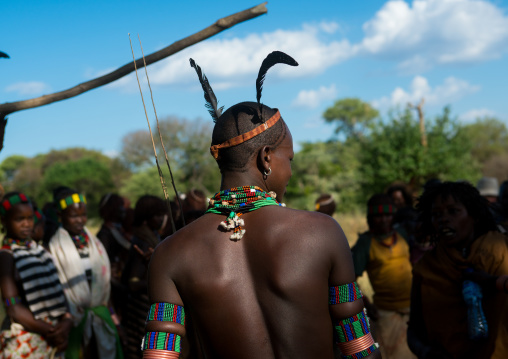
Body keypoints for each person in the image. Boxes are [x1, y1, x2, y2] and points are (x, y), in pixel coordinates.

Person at [141, 52, 381, 359]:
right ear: (266, 157)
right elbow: (359, 348)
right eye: (289, 159)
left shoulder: (169, 254)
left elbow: (160, 356)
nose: (290, 172)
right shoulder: (323, 234)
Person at [408, 181, 508, 358]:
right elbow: (414, 330)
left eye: (453, 211)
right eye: (436, 214)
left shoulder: (501, 251)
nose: (443, 219)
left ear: (474, 215)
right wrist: (426, 352)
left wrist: (493, 282)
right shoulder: (426, 268)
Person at [48, 187, 123, 359]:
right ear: (60, 217)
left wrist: (113, 317)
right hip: (73, 319)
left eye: (83, 215)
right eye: (74, 216)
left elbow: (103, 283)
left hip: (99, 313)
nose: (80, 220)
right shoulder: (55, 247)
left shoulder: (94, 244)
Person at [0, 192, 72, 358]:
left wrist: (67, 320)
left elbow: (58, 290)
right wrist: (53, 332)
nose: (26, 224)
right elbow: (13, 307)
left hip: (53, 336)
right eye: (19, 219)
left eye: (30, 218)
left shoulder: (41, 250)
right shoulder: (7, 256)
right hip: (27, 338)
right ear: (4, 221)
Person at [351, 194, 414, 359]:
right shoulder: (365, 243)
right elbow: (350, 280)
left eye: (388, 215)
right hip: (385, 314)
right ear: (370, 218)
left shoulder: (402, 234)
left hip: (413, 310)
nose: (384, 220)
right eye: (378, 216)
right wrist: (366, 303)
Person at [122, 195, 166, 359]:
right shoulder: (143, 241)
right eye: (157, 215)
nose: (161, 219)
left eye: (162, 214)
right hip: (140, 309)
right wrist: (161, 280)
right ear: (146, 219)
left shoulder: (150, 236)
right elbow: (133, 283)